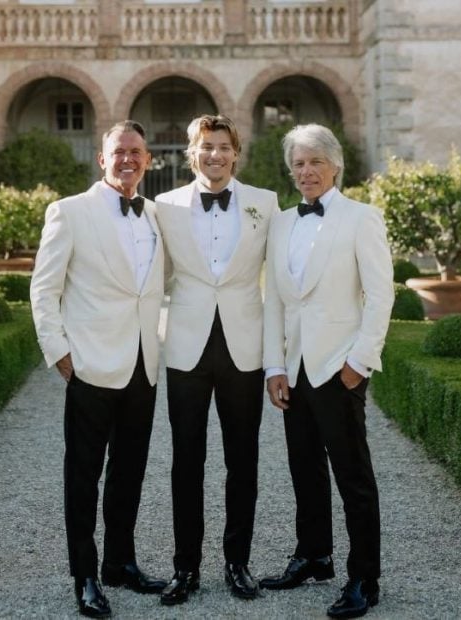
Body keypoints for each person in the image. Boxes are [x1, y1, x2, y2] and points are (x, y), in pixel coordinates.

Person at [30, 120, 167, 618]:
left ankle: (120, 563)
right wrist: (59, 351)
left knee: (129, 473)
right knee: (83, 475)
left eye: (136, 152)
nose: (127, 159)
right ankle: (84, 574)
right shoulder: (69, 212)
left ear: (147, 160)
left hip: (143, 366)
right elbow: (43, 289)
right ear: (101, 158)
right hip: (88, 365)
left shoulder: (156, 214)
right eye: (118, 152)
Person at [260, 123, 394, 619]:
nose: (306, 171)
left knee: (353, 476)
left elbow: (381, 295)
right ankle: (314, 555)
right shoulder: (280, 223)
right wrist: (274, 364)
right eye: (298, 163)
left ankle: (365, 576)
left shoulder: (362, 218)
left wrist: (358, 363)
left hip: (340, 367)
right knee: (304, 470)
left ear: (335, 165)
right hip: (293, 369)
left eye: (315, 161)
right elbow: (274, 297)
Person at [154, 114, 279, 606]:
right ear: (192, 152)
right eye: (206, 146)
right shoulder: (164, 206)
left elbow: (285, 282)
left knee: (242, 459)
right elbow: (148, 277)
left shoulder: (265, 204)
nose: (215, 155)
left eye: (224, 146)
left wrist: (278, 359)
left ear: (236, 152)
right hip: (185, 344)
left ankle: (237, 563)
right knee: (186, 461)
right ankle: (185, 568)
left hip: (244, 345)